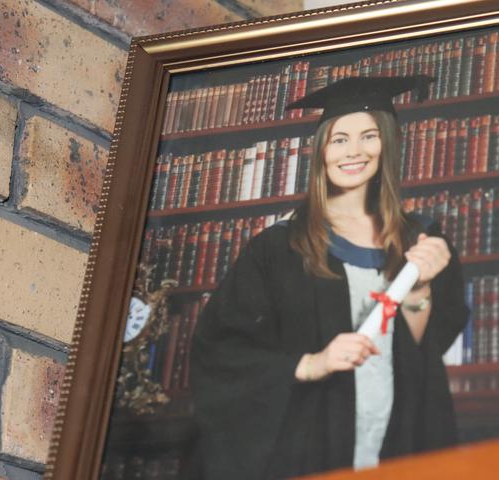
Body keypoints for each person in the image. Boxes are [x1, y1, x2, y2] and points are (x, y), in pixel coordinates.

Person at [190, 75, 469, 480]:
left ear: (387, 144)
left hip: (400, 437)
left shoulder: (420, 238)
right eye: (340, 139)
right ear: (321, 149)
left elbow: (425, 349)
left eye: (369, 136)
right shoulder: (279, 248)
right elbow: (218, 349)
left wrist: (421, 286)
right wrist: (311, 363)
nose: (354, 151)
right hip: (311, 441)